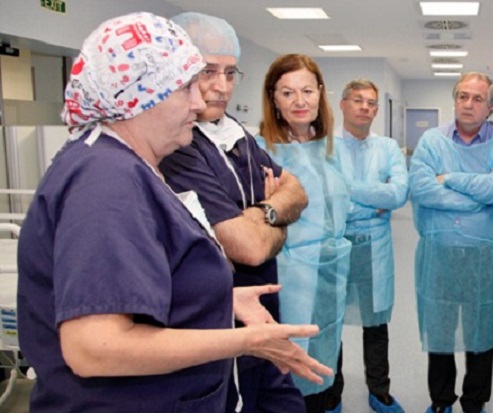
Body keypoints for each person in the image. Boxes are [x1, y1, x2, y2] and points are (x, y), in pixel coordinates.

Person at [16, 12, 330, 412]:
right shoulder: (105, 180)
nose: (200, 102)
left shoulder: (131, 167)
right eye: (186, 88)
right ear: (141, 95)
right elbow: (94, 348)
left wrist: (220, 299)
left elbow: (150, 276)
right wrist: (247, 341)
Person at [159, 12, 310, 413]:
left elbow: (297, 192)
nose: (221, 87)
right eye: (208, 71)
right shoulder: (178, 146)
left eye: (230, 73)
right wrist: (275, 213)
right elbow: (249, 248)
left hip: (262, 317)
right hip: (218, 328)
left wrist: (262, 214)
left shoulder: (235, 133)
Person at [409, 72, 493, 413]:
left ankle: (475, 401)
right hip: (439, 255)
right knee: (440, 331)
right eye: (462, 96)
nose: (468, 104)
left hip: (483, 256)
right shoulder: (432, 141)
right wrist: (477, 198)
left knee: (481, 333)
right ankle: (441, 400)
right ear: (454, 100)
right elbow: (422, 188)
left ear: (490, 106)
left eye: (476, 98)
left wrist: (452, 180)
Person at [256, 53, 352, 413]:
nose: (300, 101)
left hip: (331, 270)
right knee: (288, 365)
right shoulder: (260, 149)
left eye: (307, 91)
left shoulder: (329, 147)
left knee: (327, 348)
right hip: (287, 274)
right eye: (287, 92)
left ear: (320, 94)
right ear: (273, 100)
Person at [327, 79, 409, 413]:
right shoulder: (325, 147)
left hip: (375, 247)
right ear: (343, 104)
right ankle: (332, 394)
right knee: (332, 323)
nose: (365, 107)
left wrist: (348, 191)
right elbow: (330, 201)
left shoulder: (389, 147)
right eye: (358, 100)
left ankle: (380, 391)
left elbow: (398, 194)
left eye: (372, 102)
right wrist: (373, 198)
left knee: (376, 323)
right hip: (336, 243)